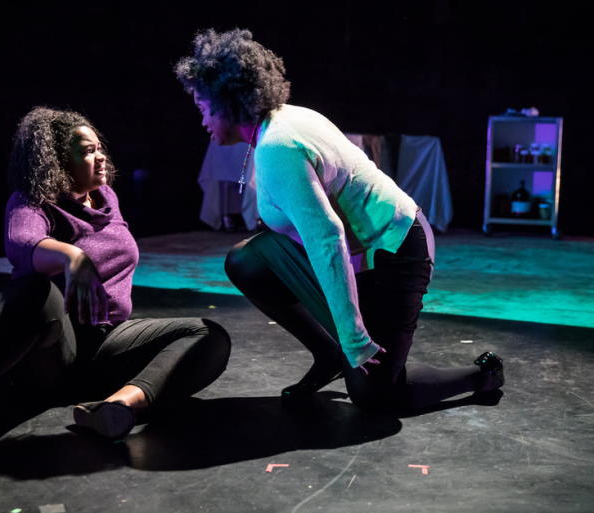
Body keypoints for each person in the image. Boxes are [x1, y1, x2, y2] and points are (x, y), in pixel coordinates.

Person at [0, 107, 231, 477]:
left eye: (100, 148)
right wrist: (71, 256)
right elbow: (22, 243)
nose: (101, 156)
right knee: (34, 290)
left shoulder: (106, 197)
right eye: (88, 150)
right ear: (59, 162)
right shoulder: (31, 202)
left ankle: (117, 407)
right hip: (50, 352)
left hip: (107, 342)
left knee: (207, 335)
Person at [175, 28, 503, 413]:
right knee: (248, 260)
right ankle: (330, 356)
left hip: (397, 252)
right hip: (364, 252)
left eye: (203, 107)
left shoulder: (278, 145)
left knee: (377, 394)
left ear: (228, 102)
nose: (201, 120)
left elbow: (327, 238)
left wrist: (355, 339)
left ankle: (484, 373)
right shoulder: (282, 122)